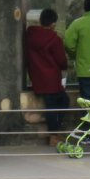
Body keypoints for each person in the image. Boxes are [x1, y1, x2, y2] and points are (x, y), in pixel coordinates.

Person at [24, 8, 70, 139]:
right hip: (52, 80)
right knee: (61, 103)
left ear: (40, 20)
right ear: (53, 24)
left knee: (52, 104)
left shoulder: (29, 36)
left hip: (37, 78)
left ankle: (54, 134)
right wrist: (65, 66)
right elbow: (61, 61)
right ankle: (54, 134)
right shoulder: (55, 39)